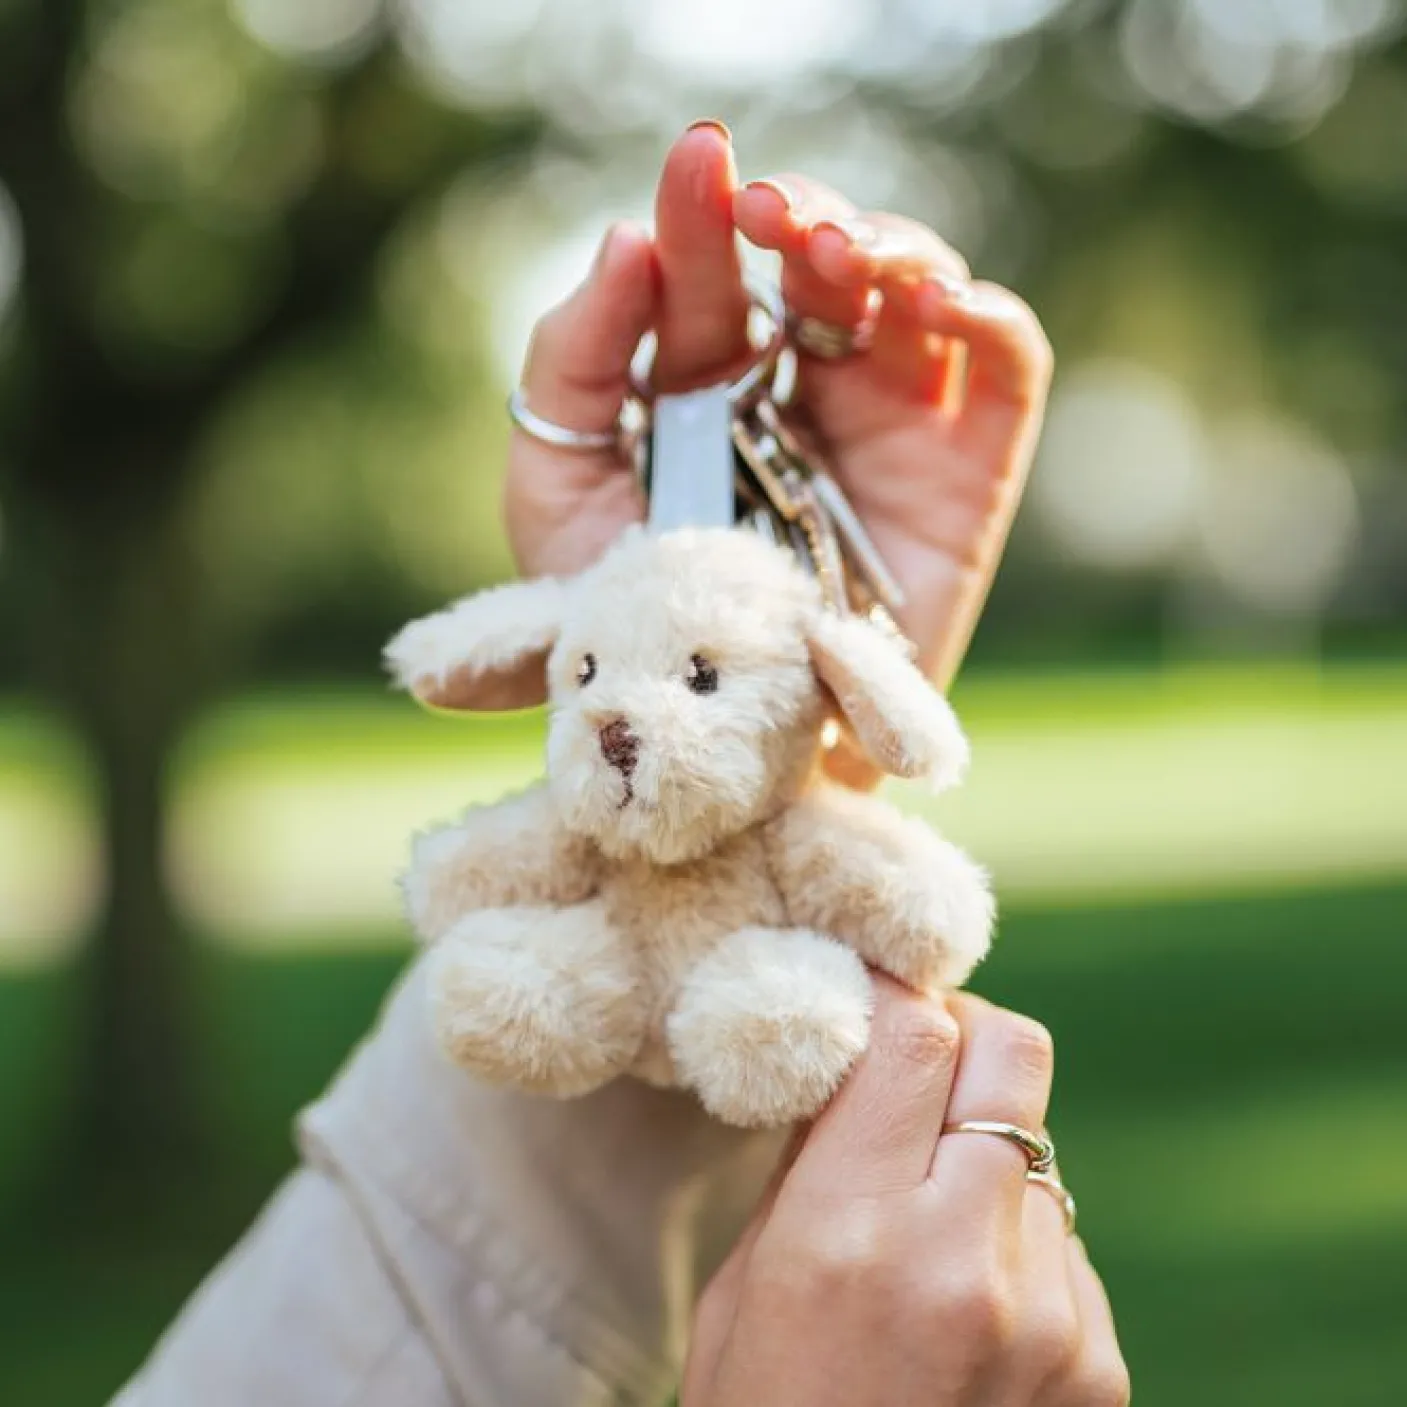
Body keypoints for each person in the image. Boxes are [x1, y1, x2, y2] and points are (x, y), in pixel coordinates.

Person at [113, 122, 1129, 1407]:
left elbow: (911, 903)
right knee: (515, 973)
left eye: (695, 678)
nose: (614, 716)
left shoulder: (801, 725)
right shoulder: (583, 802)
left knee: (773, 1005)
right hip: (598, 973)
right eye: (586, 673)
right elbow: (470, 877)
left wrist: (820, 716)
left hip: (707, 1008)